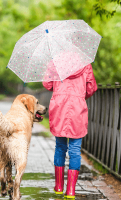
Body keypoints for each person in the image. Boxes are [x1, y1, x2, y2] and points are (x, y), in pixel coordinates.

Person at [43, 63, 97, 199]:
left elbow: (47, 84)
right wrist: (79, 95)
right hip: (77, 106)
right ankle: (71, 190)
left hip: (59, 105)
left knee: (60, 147)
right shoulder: (85, 64)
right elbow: (91, 88)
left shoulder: (55, 62)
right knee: (75, 149)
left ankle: (59, 186)